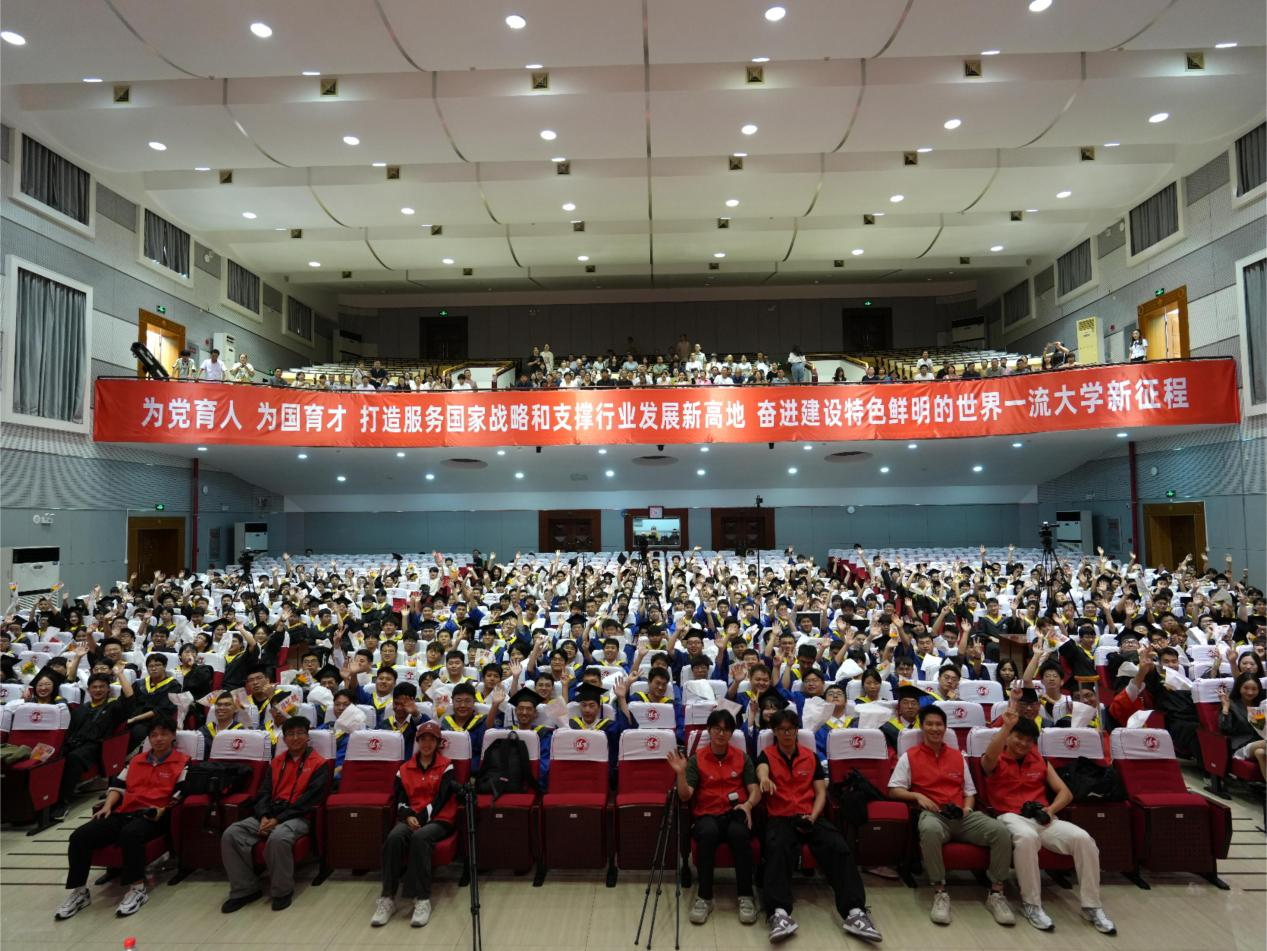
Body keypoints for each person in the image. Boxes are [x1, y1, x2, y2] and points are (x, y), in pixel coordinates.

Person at [981, 710, 1117, 934]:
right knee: (1027, 838)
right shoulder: (996, 759)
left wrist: (1050, 810)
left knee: (1083, 839)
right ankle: (1032, 904)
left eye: (1028, 740)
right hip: (1009, 815)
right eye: (1018, 737)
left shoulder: (1040, 760)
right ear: (1008, 737)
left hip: (1042, 817)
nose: (1023, 743)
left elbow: (1066, 793)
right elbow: (988, 758)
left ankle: (1092, 906)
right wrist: (1006, 726)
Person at [755, 710, 882, 943]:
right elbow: (761, 770)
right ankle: (779, 914)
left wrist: (813, 817)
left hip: (809, 814)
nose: (786, 734)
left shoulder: (810, 756)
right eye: (781, 729)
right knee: (777, 849)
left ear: (796, 730)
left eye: (790, 729)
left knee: (838, 847)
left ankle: (855, 912)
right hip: (781, 816)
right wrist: (764, 779)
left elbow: (820, 792)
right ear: (774, 732)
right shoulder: (767, 755)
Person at [886, 704, 1015, 926]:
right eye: (929, 724)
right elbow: (893, 790)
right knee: (929, 829)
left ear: (945, 728)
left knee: (1001, 831)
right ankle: (940, 891)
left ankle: (996, 893)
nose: (934, 728)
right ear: (922, 727)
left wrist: (968, 809)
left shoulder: (957, 756)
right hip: (933, 814)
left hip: (962, 814)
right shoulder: (910, 756)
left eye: (939, 724)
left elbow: (970, 792)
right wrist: (916, 795)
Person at [54, 717, 189, 920]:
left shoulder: (182, 762)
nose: (159, 739)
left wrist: (163, 809)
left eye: (164, 734)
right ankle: (80, 892)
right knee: (79, 836)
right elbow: (117, 787)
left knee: (130, 834)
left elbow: (181, 793)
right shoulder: (135, 761)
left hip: (154, 816)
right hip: (125, 811)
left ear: (173, 736)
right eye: (154, 735)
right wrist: (107, 806)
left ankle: (137, 889)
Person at [220, 717, 330, 913]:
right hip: (271, 813)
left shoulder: (319, 764)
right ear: (284, 738)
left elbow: (309, 800)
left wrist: (278, 820)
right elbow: (263, 792)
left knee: (279, 838)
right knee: (232, 834)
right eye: (290, 734)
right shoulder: (277, 762)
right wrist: (264, 816)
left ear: (307, 737)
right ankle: (245, 889)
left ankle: (282, 891)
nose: (295, 738)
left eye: (300, 733)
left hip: (299, 816)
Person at [666, 709, 760, 926]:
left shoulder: (742, 757)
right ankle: (704, 898)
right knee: (707, 834)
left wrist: (748, 804)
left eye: (726, 729)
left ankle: (746, 896)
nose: (721, 733)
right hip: (707, 814)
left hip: (735, 812)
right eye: (717, 728)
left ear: (731, 733)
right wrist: (680, 774)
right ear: (709, 730)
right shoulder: (696, 759)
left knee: (740, 833)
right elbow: (685, 796)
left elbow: (755, 790)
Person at [371, 721, 459, 928]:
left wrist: (419, 818)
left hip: (440, 818)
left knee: (420, 837)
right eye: (423, 739)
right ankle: (387, 897)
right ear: (417, 741)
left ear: (438, 743)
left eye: (432, 740)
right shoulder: (404, 768)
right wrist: (408, 815)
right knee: (394, 838)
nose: (427, 743)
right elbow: (400, 799)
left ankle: (422, 899)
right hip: (411, 817)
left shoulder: (447, 765)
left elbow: (442, 799)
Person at [53, 672, 129, 818]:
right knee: (56, 756)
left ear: (108, 689)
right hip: (75, 743)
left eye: (102, 687)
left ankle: (62, 802)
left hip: (96, 747)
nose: (98, 690)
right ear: (88, 690)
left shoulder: (113, 707)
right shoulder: (81, 709)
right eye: (94, 687)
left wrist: (120, 674)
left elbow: (129, 699)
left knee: (74, 758)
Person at [1220, 671, 1266, 778]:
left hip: (1259, 743)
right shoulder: (1231, 704)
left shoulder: (1260, 705)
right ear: (1239, 688)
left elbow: (1262, 729)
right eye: (1246, 688)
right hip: (1240, 746)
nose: (1250, 692)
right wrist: (1225, 708)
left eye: (1254, 689)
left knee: (1260, 753)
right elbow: (1224, 728)